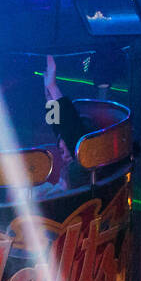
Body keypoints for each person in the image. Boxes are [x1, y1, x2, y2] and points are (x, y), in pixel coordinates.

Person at [39, 54, 90, 194]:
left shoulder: (80, 170)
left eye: (66, 148)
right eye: (61, 151)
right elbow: (56, 125)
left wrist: (53, 86)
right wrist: (49, 95)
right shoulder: (65, 171)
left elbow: (70, 127)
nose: (64, 155)